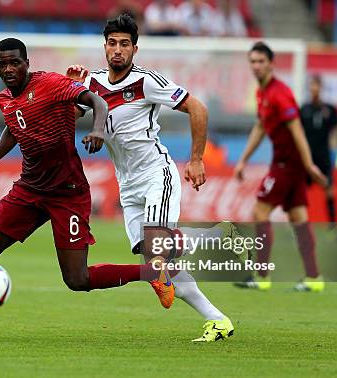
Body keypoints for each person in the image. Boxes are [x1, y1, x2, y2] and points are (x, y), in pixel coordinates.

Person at [0, 38, 173, 339]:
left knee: (77, 279)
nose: (9, 69)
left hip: (68, 192)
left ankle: (151, 273)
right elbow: (13, 127)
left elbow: (97, 101)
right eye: (2, 64)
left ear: (27, 63)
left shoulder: (52, 84)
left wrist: (97, 130)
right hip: (30, 190)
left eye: (15, 62)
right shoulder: (4, 98)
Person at [66, 14, 235, 342]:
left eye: (124, 44)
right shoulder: (92, 83)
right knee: (156, 263)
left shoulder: (147, 82)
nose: (118, 50)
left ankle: (218, 236)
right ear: (104, 47)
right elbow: (71, 117)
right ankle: (218, 320)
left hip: (157, 174)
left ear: (135, 49)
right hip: (127, 185)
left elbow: (197, 108)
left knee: (159, 250)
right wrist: (68, 88)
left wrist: (197, 158)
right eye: (112, 43)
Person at [233, 42, 328, 292]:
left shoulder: (280, 93)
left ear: (271, 64)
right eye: (252, 61)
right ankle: (314, 278)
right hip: (288, 164)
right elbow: (261, 127)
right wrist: (243, 158)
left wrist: (309, 165)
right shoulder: (262, 92)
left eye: (261, 61)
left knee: (259, 212)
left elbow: (297, 130)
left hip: (288, 164)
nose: (256, 66)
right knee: (299, 217)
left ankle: (262, 277)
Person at [300, 75, 337, 223]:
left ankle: (332, 226)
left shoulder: (330, 110)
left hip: (323, 156)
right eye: (312, 86)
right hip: (306, 157)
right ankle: (299, 225)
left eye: (317, 86)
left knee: (329, 190)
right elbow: (297, 133)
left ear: (321, 88)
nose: (314, 89)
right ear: (309, 88)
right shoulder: (303, 109)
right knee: (299, 192)